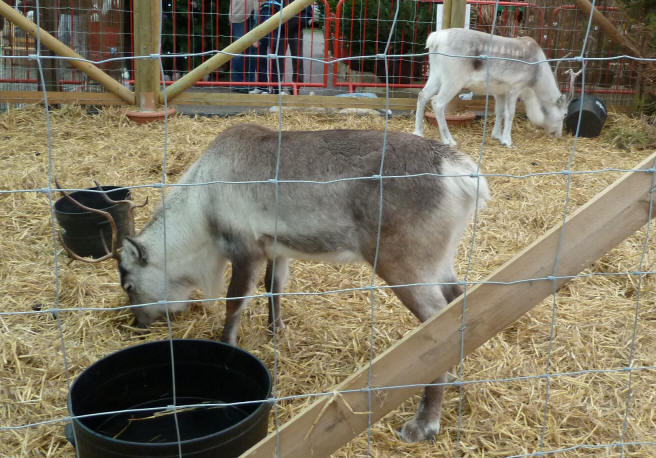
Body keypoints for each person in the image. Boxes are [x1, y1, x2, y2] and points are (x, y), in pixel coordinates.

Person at [251, 0, 315, 94]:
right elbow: (272, 6)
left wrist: (300, 22)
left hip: (296, 30)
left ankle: (296, 86)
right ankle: (276, 87)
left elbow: (308, 12)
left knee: (297, 59)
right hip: (280, 30)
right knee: (277, 59)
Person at [229, 0, 259, 93]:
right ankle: (237, 82)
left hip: (257, 11)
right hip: (239, 13)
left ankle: (250, 82)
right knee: (238, 50)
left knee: (253, 50)